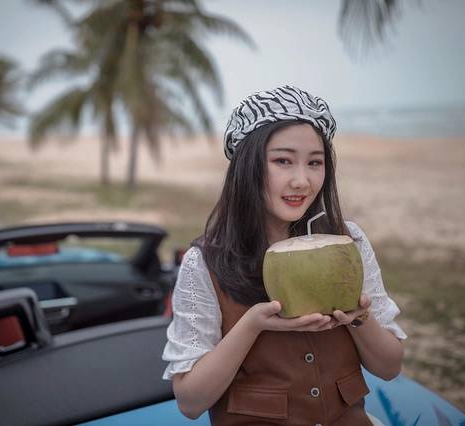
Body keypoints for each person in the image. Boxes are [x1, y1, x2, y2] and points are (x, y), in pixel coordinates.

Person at [162, 85, 406, 425]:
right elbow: (190, 402)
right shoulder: (205, 262)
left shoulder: (348, 242)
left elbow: (390, 367)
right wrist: (252, 325)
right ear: (247, 166)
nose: (302, 181)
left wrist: (359, 318)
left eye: (315, 162)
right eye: (283, 161)